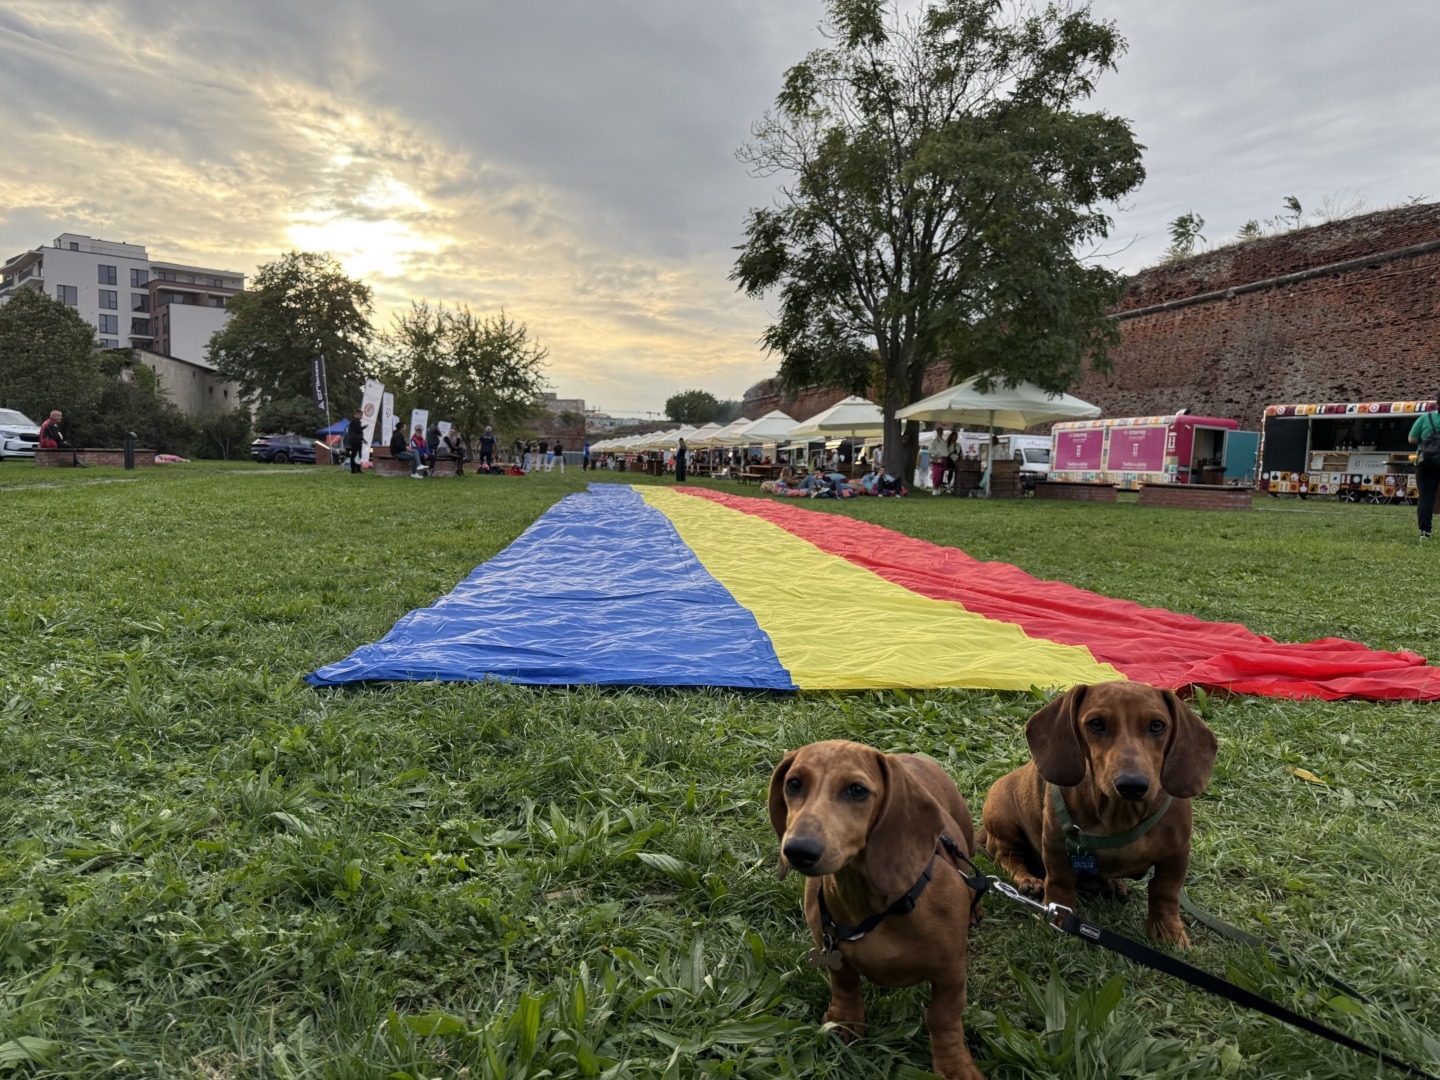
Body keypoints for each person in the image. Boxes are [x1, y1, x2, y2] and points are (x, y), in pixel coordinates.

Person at [1409, 401, 1440, 540]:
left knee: (1426, 497)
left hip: (1425, 462)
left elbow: (1412, 439)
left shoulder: (1425, 418)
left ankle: (1425, 532)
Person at [929, 425, 948, 494]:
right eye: (940, 431)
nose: (941, 432)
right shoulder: (935, 440)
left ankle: (938, 488)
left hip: (944, 458)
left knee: (941, 474)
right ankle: (934, 488)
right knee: (936, 474)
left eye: (942, 431)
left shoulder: (943, 440)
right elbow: (930, 449)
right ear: (937, 432)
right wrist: (937, 453)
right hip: (938, 459)